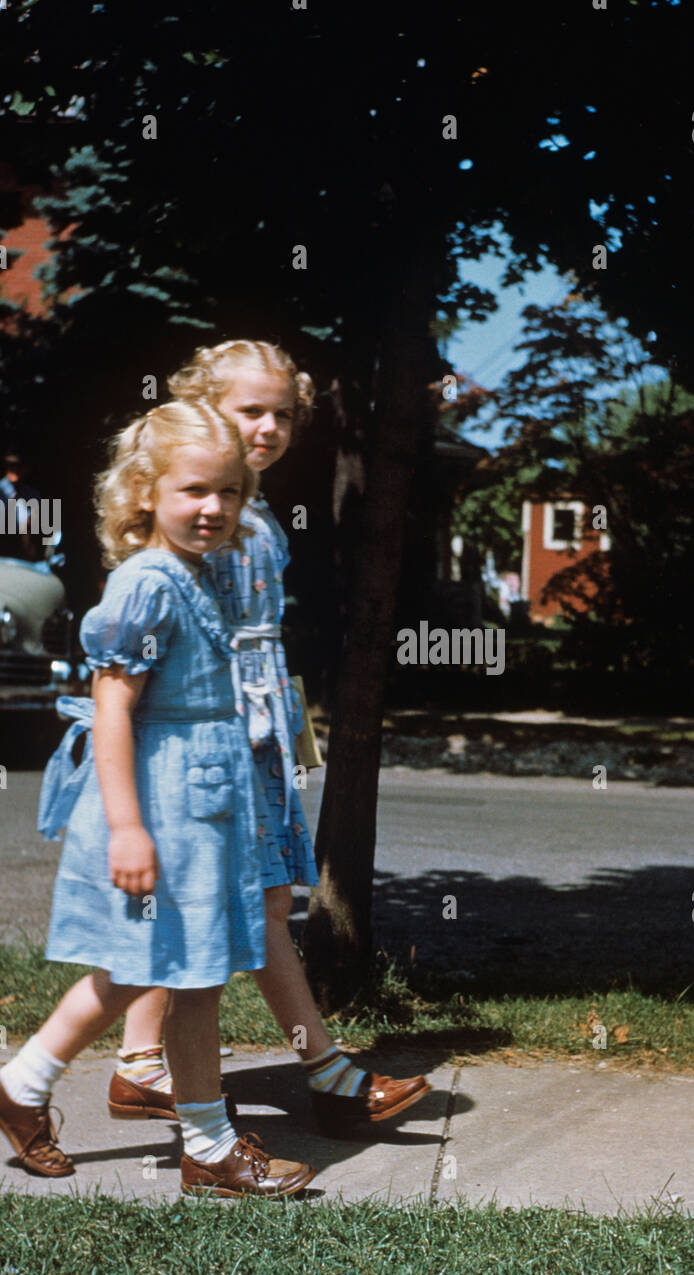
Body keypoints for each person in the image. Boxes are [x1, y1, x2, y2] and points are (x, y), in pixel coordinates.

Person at [113, 341, 431, 1137]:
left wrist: (289, 733)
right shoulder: (206, 520)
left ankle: (138, 1062)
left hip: (260, 731)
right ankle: (324, 1071)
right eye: (248, 409)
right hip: (216, 736)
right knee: (252, 903)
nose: (268, 426)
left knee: (245, 902)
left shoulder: (252, 518)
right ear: (200, 405)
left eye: (282, 413)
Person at [0, 401, 316, 1197]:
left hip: (204, 800)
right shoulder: (147, 585)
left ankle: (22, 1084)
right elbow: (113, 710)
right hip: (164, 802)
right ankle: (209, 1146)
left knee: (150, 970)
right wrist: (129, 829)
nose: (212, 509)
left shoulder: (197, 575)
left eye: (229, 494)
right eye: (193, 492)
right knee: (187, 974)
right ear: (146, 494)